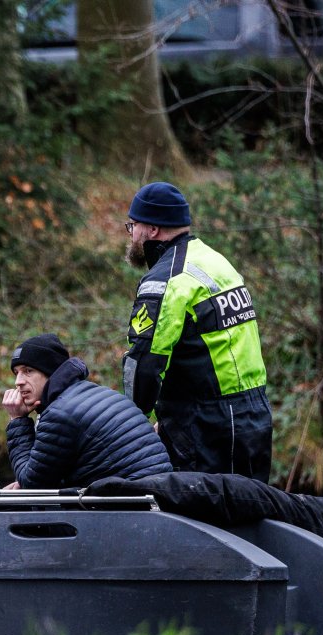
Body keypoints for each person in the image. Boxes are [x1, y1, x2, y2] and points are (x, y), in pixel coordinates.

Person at [122, 181, 273, 481]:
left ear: (151, 230)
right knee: (250, 517)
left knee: (204, 523)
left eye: (133, 226)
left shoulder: (165, 281)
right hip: (255, 415)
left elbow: (144, 364)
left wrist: (128, 429)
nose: (131, 235)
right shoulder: (215, 261)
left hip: (207, 426)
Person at [2, 333, 172, 490]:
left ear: (50, 371)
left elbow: (33, 485)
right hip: (155, 495)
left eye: (28, 371)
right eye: (17, 373)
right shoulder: (93, 394)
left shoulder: (60, 413)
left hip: (132, 505)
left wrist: (18, 420)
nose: (18, 381)